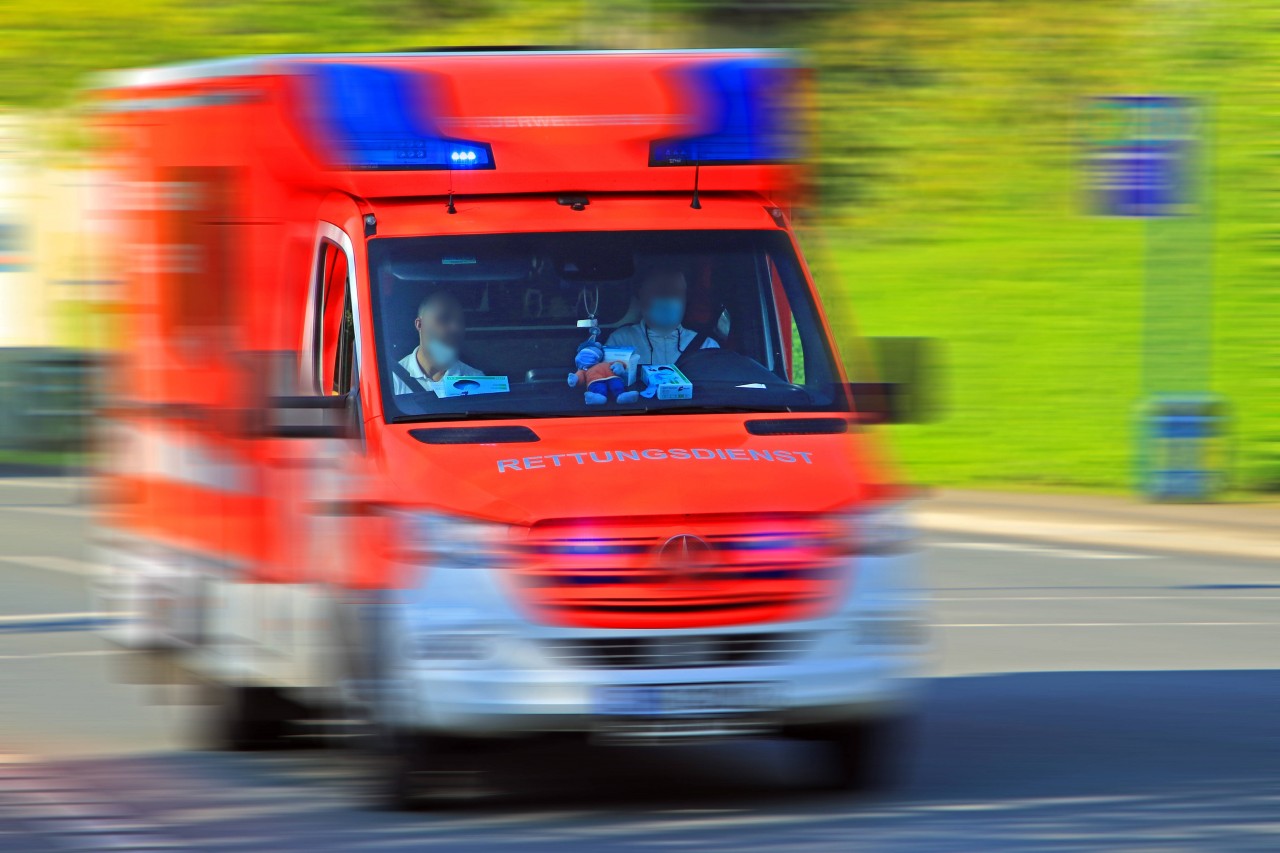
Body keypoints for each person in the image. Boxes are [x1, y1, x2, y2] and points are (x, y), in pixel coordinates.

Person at [606, 267, 719, 364]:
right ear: (640, 297)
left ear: (685, 300)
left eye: (676, 293)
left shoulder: (707, 346)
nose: (668, 299)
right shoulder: (621, 341)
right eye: (660, 292)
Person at [393, 290, 483, 395]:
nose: (455, 328)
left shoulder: (476, 380)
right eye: (444, 319)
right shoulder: (394, 380)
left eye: (460, 321)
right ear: (420, 325)